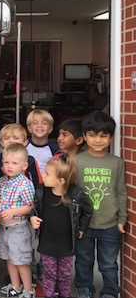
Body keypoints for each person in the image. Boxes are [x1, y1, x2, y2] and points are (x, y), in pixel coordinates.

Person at [74, 111, 127, 298]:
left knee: (108, 263)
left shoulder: (116, 162)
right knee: (83, 260)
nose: (98, 140)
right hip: (84, 225)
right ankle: (84, 289)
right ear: (85, 137)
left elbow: (121, 191)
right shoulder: (77, 161)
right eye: (93, 135)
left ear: (111, 138)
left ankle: (111, 292)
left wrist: (122, 218)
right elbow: (72, 193)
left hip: (110, 223)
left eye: (103, 136)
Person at [30, 155, 92, 298]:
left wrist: (82, 228)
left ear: (61, 180)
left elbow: (88, 211)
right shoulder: (42, 191)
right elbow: (34, 208)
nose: (43, 176)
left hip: (66, 244)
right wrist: (32, 217)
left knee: (64, 276)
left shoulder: (76, 194)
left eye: (47, 174)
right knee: (49, 274)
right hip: (47, 242)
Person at [0, 143, 35, 298]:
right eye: (6, 162)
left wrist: (13, 211)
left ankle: (27, 289)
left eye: (14, 163)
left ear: (24, 165)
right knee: (9, 259)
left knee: (21, 260)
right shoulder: (3, 181)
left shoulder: (25, 184)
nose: (9, 166)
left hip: (18, 228)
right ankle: (15, 286)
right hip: (3, 227)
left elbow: (30, 206)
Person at [0, 124, 42, 188]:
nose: (11, 141)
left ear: (25, 142)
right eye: (6, 138)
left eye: (16, 138)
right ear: (1, 142)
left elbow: (38, 184)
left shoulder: (30, 160)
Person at [25, 109, 59, 174]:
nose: (40, 126)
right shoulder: (24, 145)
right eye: (35, 123)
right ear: (29, 128)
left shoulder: (55, 149)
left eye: (44, 123)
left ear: (50, 129)